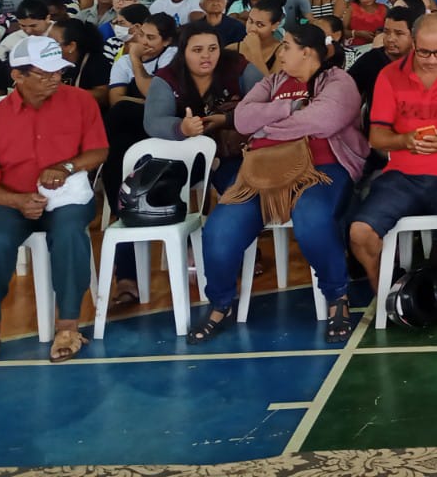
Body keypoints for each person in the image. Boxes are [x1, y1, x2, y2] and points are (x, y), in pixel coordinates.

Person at [190, 23, 366, 345]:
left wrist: (267, 127)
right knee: (218, 230)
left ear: (307, 52)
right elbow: (243, 120)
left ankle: (336, 296)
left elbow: (324, 121)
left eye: (286, 46)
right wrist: (288, 108)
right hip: (263, 172)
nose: (280, 52)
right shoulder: (273, 82)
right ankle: (220, 303)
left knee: (312, 218)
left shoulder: (339, 81)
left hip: (321, 169)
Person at [0, 36, 109, 365]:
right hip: (9, 200)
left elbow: (99, 150)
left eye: (58, 72)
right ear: (18, 76)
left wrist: (67, 166)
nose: (55, 79)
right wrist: (17, 202)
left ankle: (68, 325)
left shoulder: (81, 102)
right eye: (45, 74)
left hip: (66, 195)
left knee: (71, 234)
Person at [348, 12, 437, 309]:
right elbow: (376, 136)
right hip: (400, 176)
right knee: (360, 233)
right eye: (424, 51)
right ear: (413, 43)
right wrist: (404, 141)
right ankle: (386, 290)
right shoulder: (389, 76)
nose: (431, 59)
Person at [144, 22, 259, 192]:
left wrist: (228, 120)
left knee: (239, 188)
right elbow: (153, 121)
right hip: (186, 151)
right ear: (183, 53)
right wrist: (181, 128)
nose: (206, 56)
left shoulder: (237, 66)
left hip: (237, 151)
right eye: (197, 50)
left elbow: (267, 104)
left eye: (213, 49)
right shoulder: (167, 77)